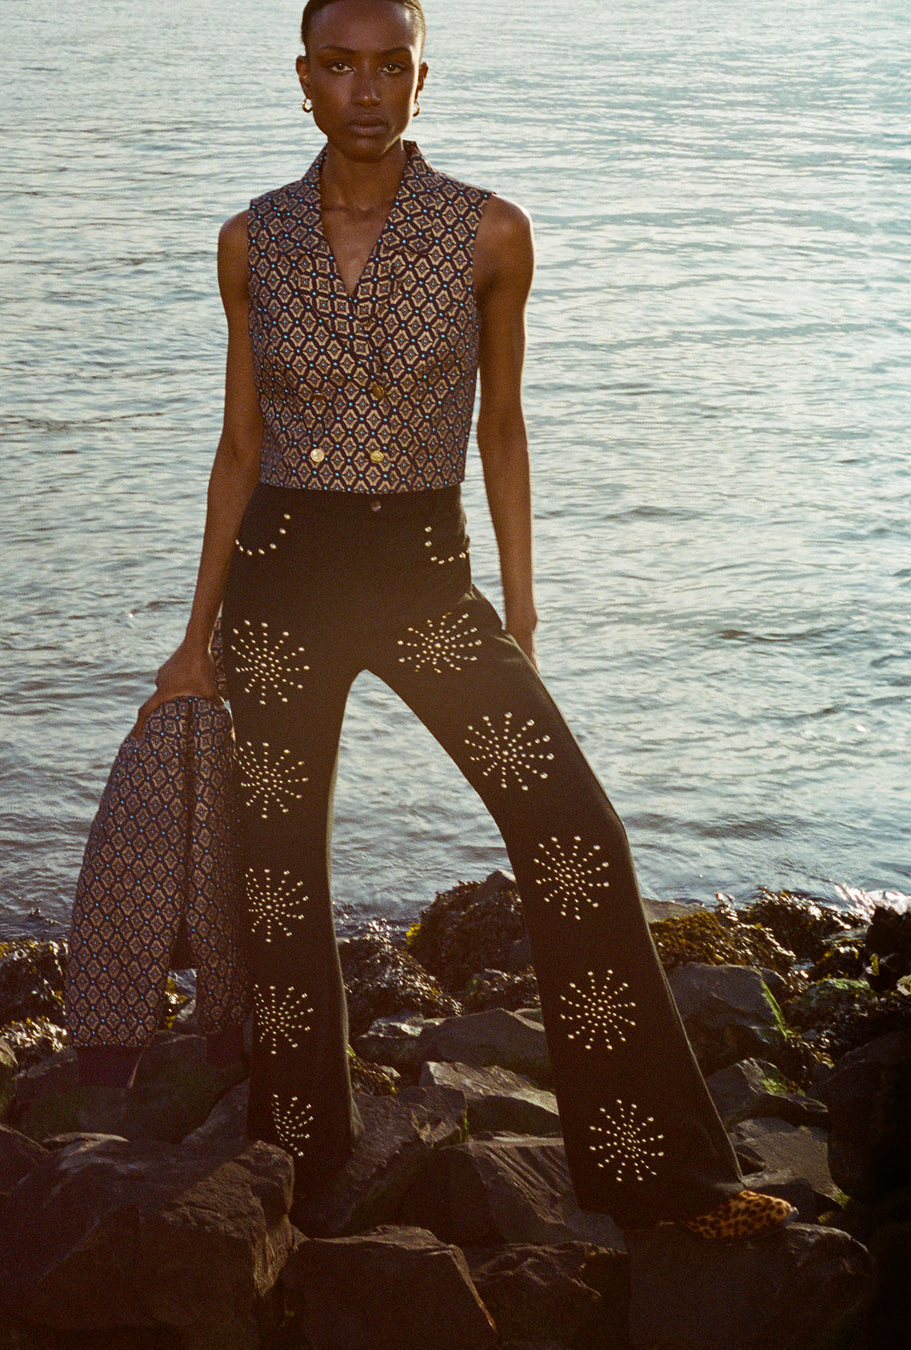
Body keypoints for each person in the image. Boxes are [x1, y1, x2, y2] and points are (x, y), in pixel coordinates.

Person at [136, 0, 792, 1239]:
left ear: (422, 79)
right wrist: (191, 641)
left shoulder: (490, 233)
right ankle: (299, 1148)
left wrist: (525, 614)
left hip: (428, 580)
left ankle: (651, 1168)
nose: (366, 91)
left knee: (576, 837)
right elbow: (236, 445)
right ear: (304, 78)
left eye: (391, 67)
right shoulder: (248, 240)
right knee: (279, 885)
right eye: (341, 66)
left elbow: (501, 426)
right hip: (281, 583)